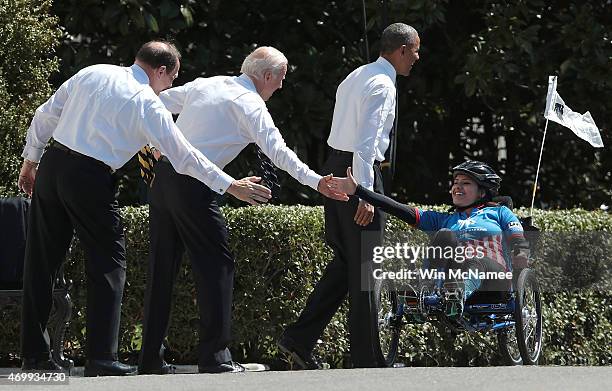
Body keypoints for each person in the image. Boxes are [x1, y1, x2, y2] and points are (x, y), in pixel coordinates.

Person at [17, 41, 271, 377]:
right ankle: (101, 359)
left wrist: (31, 159)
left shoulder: (94, 72)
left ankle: (34, 356)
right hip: (90, 177)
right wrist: (229, 184)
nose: (168, 88)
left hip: (53, 165)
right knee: (108, 263)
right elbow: (185, 156)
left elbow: (45, 114)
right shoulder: (148, 103)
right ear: (161, 70)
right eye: (170, 79)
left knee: (41, 262)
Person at [137, 46, 348, 375]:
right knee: (217, 267)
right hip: (194, 187)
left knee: (162, 268)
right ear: (266, 76)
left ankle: (149, 358)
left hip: (163, 180)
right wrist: (317, 181)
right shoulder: (250, 104)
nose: (280, 86)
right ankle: (215, 358)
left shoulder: (208, 83)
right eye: (280, 79)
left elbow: (156, 102)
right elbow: (278, 152)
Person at [278, 23, 421, 369]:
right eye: (416, 50)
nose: (418, 57)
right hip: (358, 173)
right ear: (401, 50)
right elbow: (366, 144)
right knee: (365, 266)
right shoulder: (383, 84)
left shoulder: (356, 74)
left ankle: (298, 339)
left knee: (347, 263)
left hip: (336, 165)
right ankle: (368, 359)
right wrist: (366, 194)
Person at [328, 161, 531, 310]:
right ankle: (426, 291)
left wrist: (521, 252)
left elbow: (517, 236)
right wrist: (359, 191)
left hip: (494, 278)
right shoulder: (444, 219)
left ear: (482, 192)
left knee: (473, 261)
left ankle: (456, 297)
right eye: (456, 182)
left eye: (466, 183)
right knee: (444, 235)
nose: (457, 186)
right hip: (455, 276)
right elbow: (399, 209)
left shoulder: (500, 212)